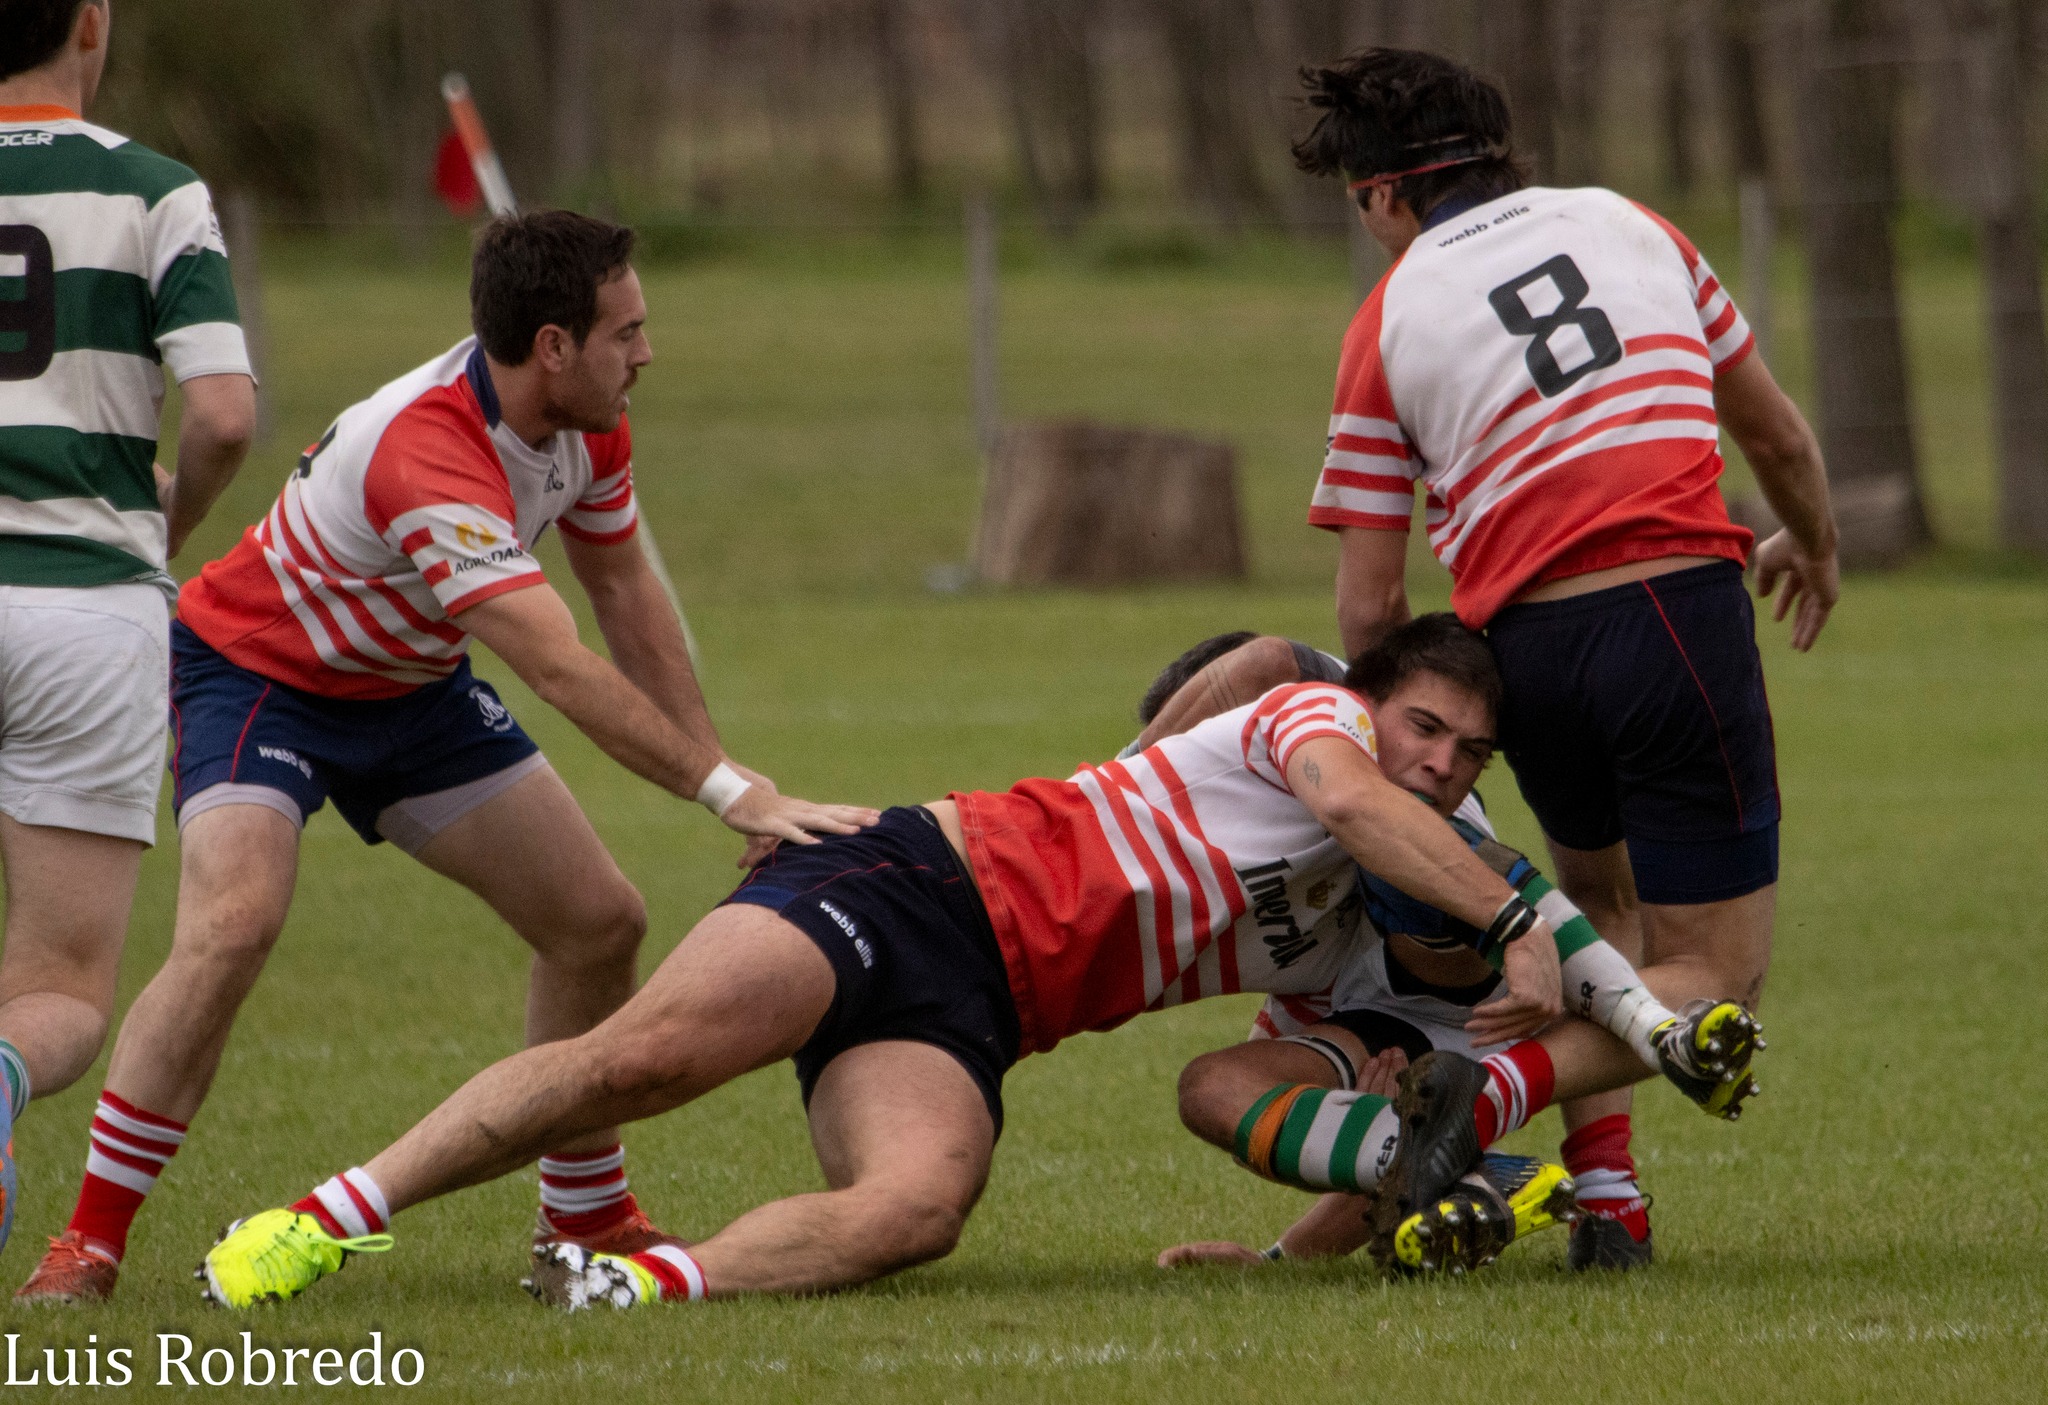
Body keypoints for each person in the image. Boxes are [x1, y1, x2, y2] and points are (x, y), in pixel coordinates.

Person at [193, 626, 1747, 1310]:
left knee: (918, 1210)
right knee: (649, 1058)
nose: (1442, 763)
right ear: (1371, 701)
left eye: (1470, 754)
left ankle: (631, 1283)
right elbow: (1333, 758)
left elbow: (1398, 1021)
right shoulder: (1313, 731)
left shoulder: (1383, 879)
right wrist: (1530, 919)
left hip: (979, 1010)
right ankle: (329, 1221)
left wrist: (1294, 1259)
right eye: (1429, 729)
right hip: (907, 885)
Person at [14, 210, 876, 1304]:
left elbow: (621, 591)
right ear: (553, 346)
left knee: (598, 920)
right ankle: (86, 1241)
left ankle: (583, 1208)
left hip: (411, 691)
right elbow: (557, 667)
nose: (646, 353)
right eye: (626, 332)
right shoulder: (425, 447)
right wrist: (725, 793)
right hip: (254, 673)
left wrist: (723, 763)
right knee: (235, 923)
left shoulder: (591, 423)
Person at [1293, 47, 1839, 1267]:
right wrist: (1813, 543)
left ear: (1382, 192)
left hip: (1519, 651)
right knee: (1715, 980)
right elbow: (1779, 438)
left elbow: (1371, 598)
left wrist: (1380, 764)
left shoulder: (1383, 320)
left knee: (1598, 915)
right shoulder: (1632, 225)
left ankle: (1610, 1206)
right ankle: (1485, 1101)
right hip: (1674, 621)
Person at [1141, 622, 1756, 1273]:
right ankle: (1493, 1177)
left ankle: (1643, 1046)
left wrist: (1120, 782)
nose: (1443, 761)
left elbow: (1266, 661)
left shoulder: (1343, 741)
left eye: (1469, 749)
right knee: (1215, 1089)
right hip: (1413, 1022)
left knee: (1402, 844)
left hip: (1488, 959)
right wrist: (1286, 1255)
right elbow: (1383, 1148)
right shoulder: (1251, 882)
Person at [0, 0, 255, 1255]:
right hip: (83, 609)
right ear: (89, 22)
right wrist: (164, 523)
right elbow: (218, 415)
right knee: (55, 984)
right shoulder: (155, 190)